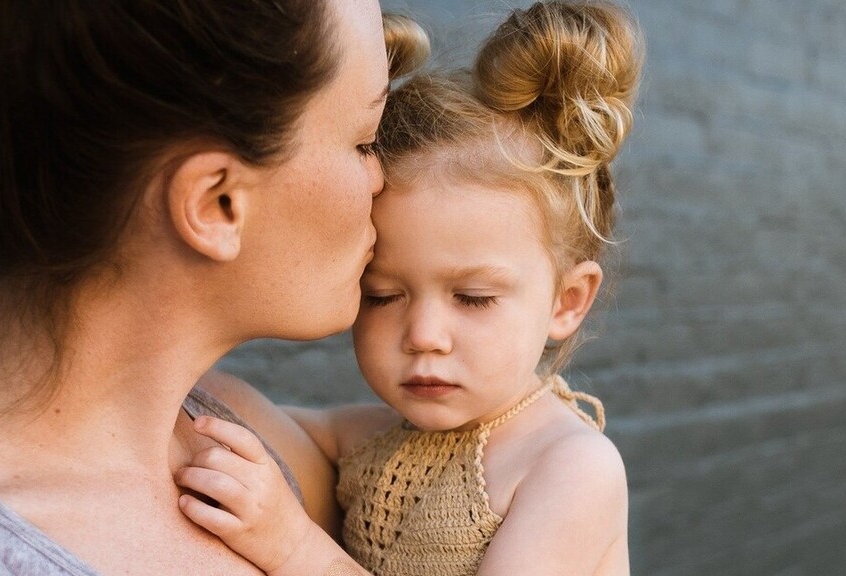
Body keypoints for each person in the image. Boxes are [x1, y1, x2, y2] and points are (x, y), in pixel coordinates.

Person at [0, 1, 426, 574]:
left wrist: (546, 466)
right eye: (366, 140)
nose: (383, 179)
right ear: (217, 203)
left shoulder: (244, 434)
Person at [177, 1, 644, 574]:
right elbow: (263, 419)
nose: (423, 335)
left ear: (567, 301)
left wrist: (296, 547)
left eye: (472, 298)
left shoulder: (568, 466)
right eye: (382, 295)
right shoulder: (375, 440)